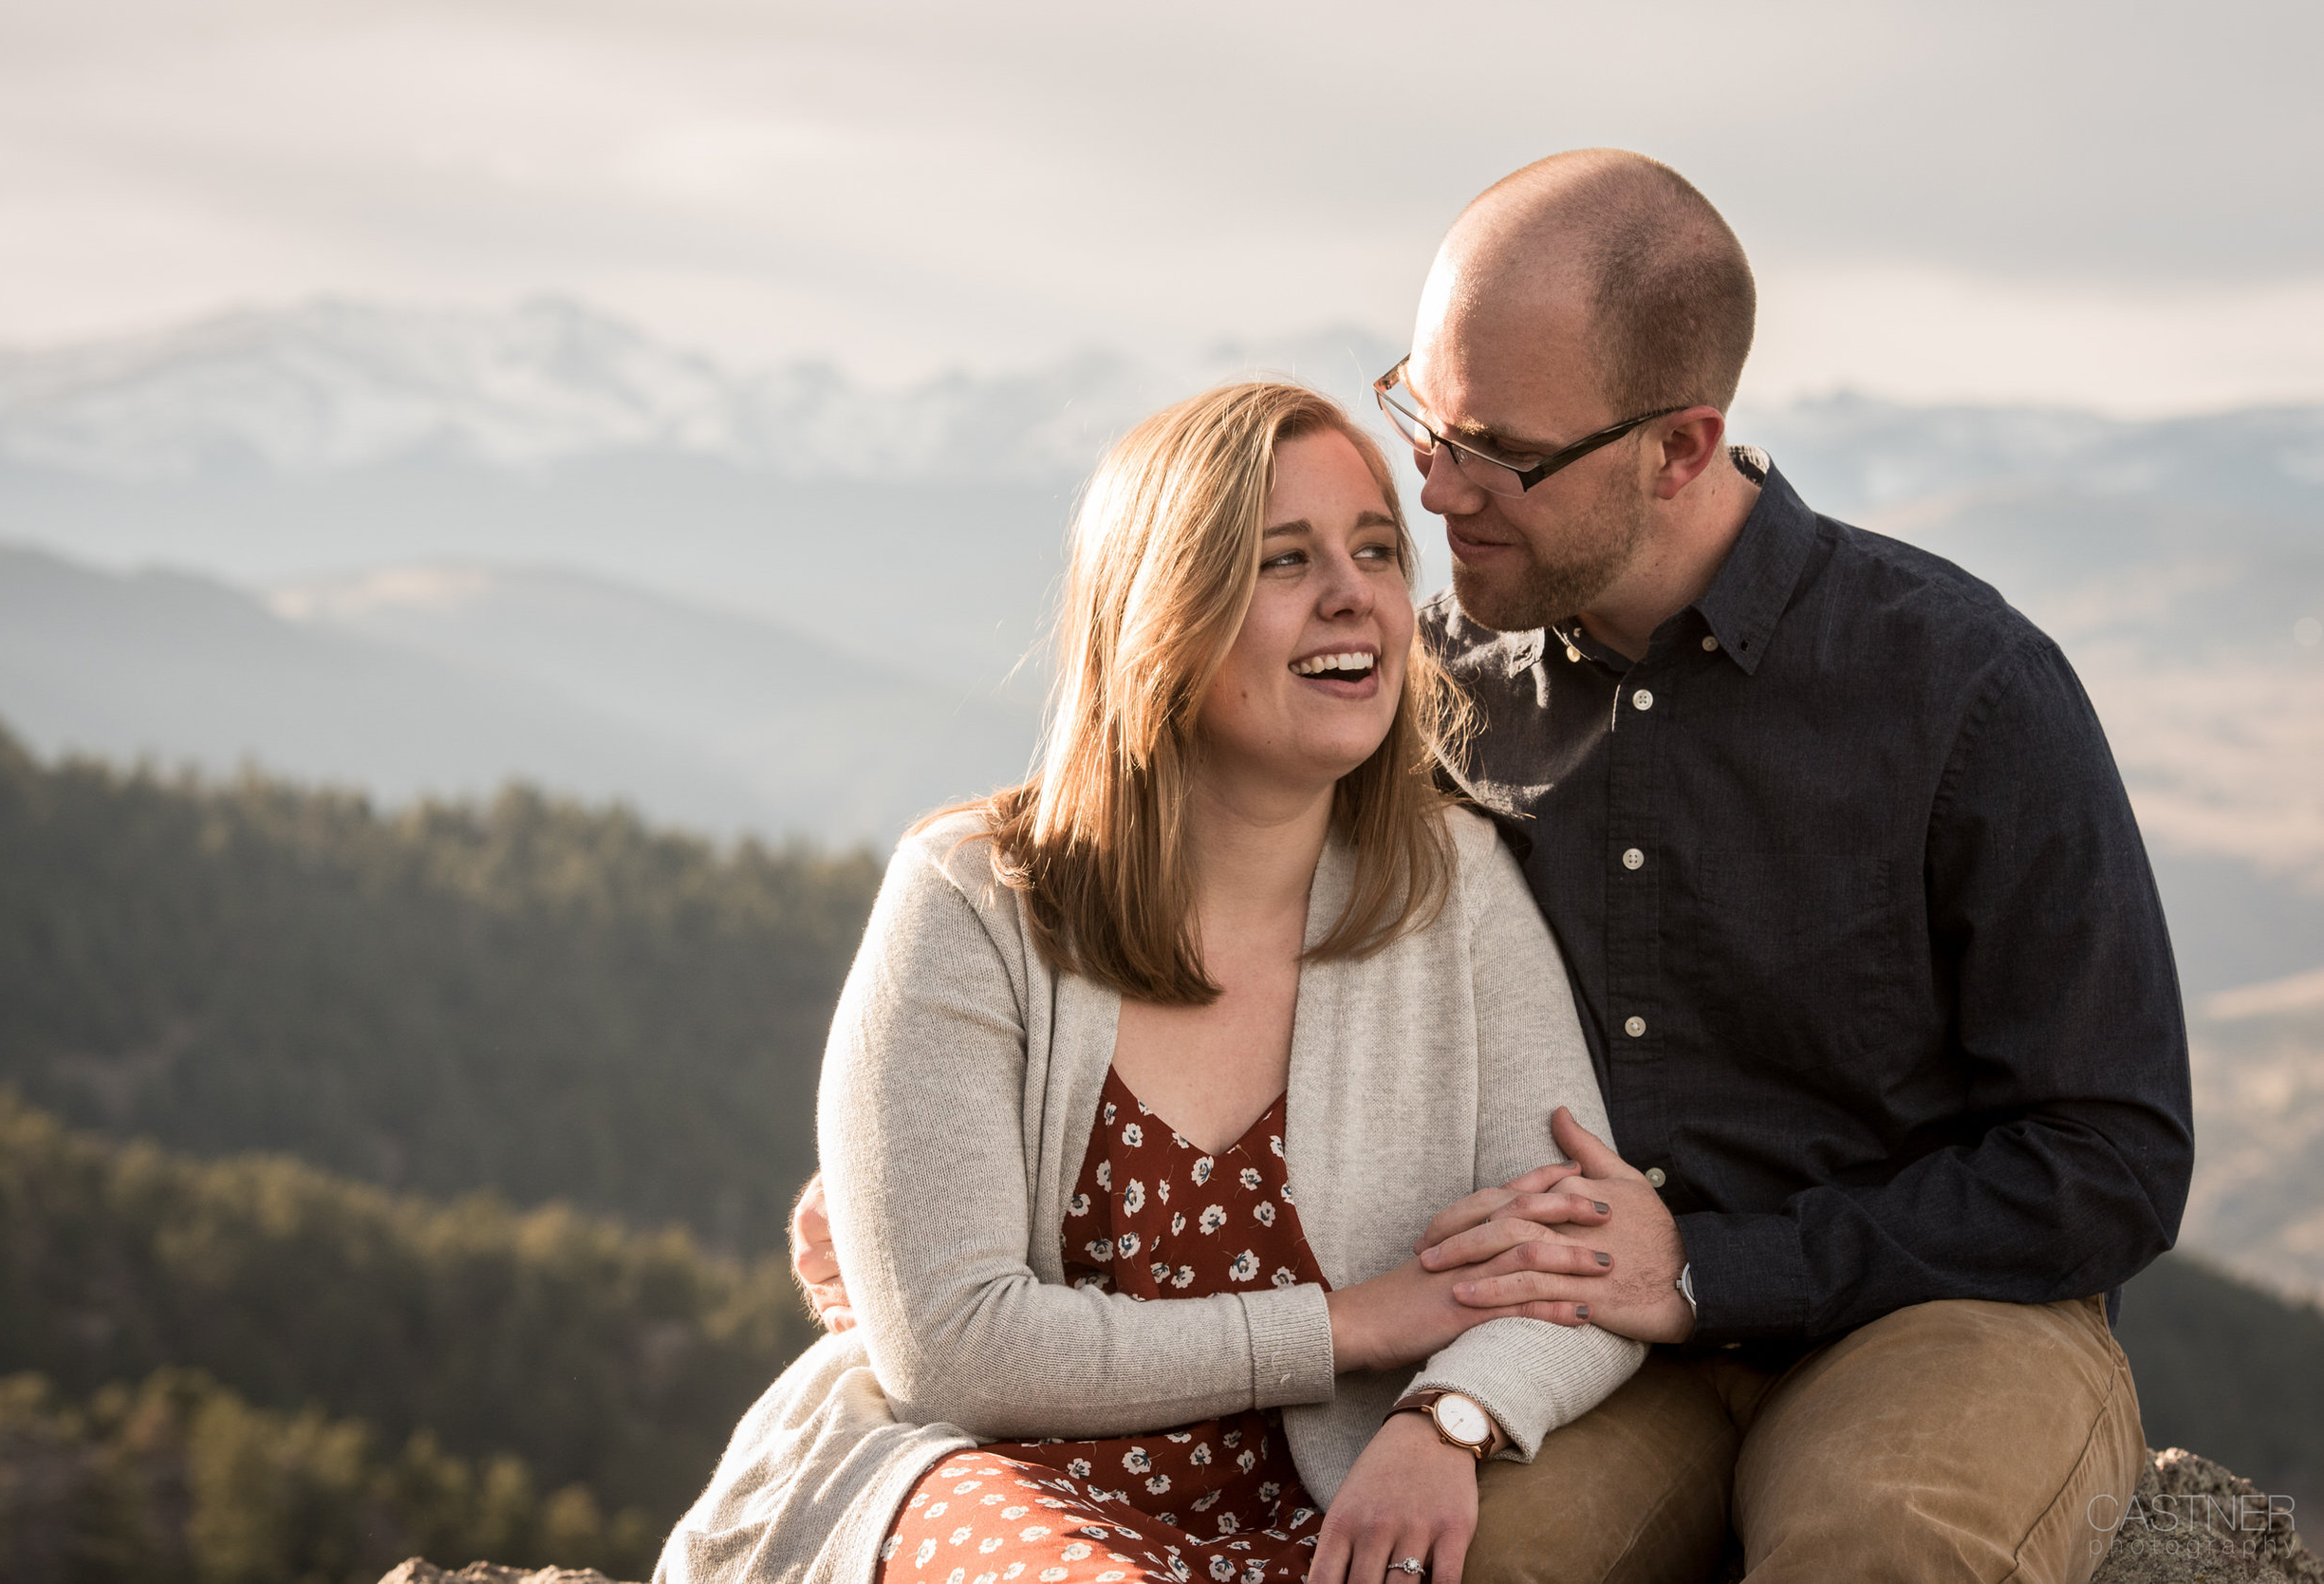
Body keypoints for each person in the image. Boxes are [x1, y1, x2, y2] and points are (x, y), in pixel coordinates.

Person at [799, 151, 2196, 1584]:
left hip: (1929, 1315)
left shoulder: (1963, 690)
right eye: (1425, 413)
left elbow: (2115, 1158)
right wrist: (921, 1154)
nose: (1433, 487)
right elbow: (1182, 808)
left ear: (1680, 447)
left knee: (1878, 1554)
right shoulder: (1431, 686)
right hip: (1570, 1348)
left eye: (1499, 454)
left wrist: (1712, 1270)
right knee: (1449, 1566)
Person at [661, 382, 1645, 1584]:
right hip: (994, 1478)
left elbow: (1580, 1261)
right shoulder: (972, 897)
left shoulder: (1457, 887)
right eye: (1284, 560)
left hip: (1325, 1497)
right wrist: (1349, 1324)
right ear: (1164, 620)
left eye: (1377, 549)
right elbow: (955, 1350)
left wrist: (1447, 1414)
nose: (1354, 593)